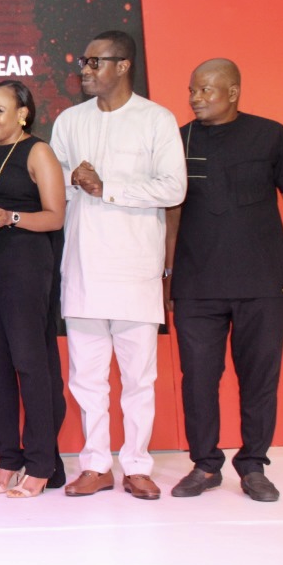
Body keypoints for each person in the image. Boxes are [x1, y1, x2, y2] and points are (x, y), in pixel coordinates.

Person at [166, 59, 283, 502]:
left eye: (206, 90)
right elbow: (170, 216)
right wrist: (167, 275)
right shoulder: (178, 140)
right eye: (192, 90)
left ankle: (253, 466)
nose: (195, 98)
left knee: (259, 379)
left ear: (233, 92)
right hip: (196, 284)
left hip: (263, 281)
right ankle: (205, 465)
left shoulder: (270, 135)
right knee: (197, 379)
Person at [49, 30, 187, 500]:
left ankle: (137, 465)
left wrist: (107, 188)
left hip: (134, 270)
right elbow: (52, 185)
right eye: (84, 62)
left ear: (124, 65)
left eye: (95, 62)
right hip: (83, 268)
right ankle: (94, 464)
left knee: (138, 378)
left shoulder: (156, 119)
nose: (85, 70)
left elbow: (174, 188)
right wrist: (73, 181)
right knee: (86, 378)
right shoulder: (70, 121)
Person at [0, 80, 67, 498]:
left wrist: (12, 218)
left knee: (30, 364)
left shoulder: (38, 152)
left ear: (23, 114)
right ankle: (9, 458)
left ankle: (41, 463)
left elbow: (56, 216)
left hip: (26, 267)